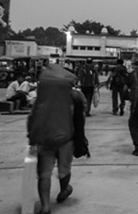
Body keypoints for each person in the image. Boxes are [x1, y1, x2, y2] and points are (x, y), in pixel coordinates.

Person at [27, 63, 87, 214]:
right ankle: (64, 190)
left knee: (44, 173)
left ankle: (46, 206)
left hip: (43, 138)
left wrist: (32, 140)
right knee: (64, 169)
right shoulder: (75, 95)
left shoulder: (41, 96)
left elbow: (32, 117)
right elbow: (82, 115)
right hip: (65, 138)